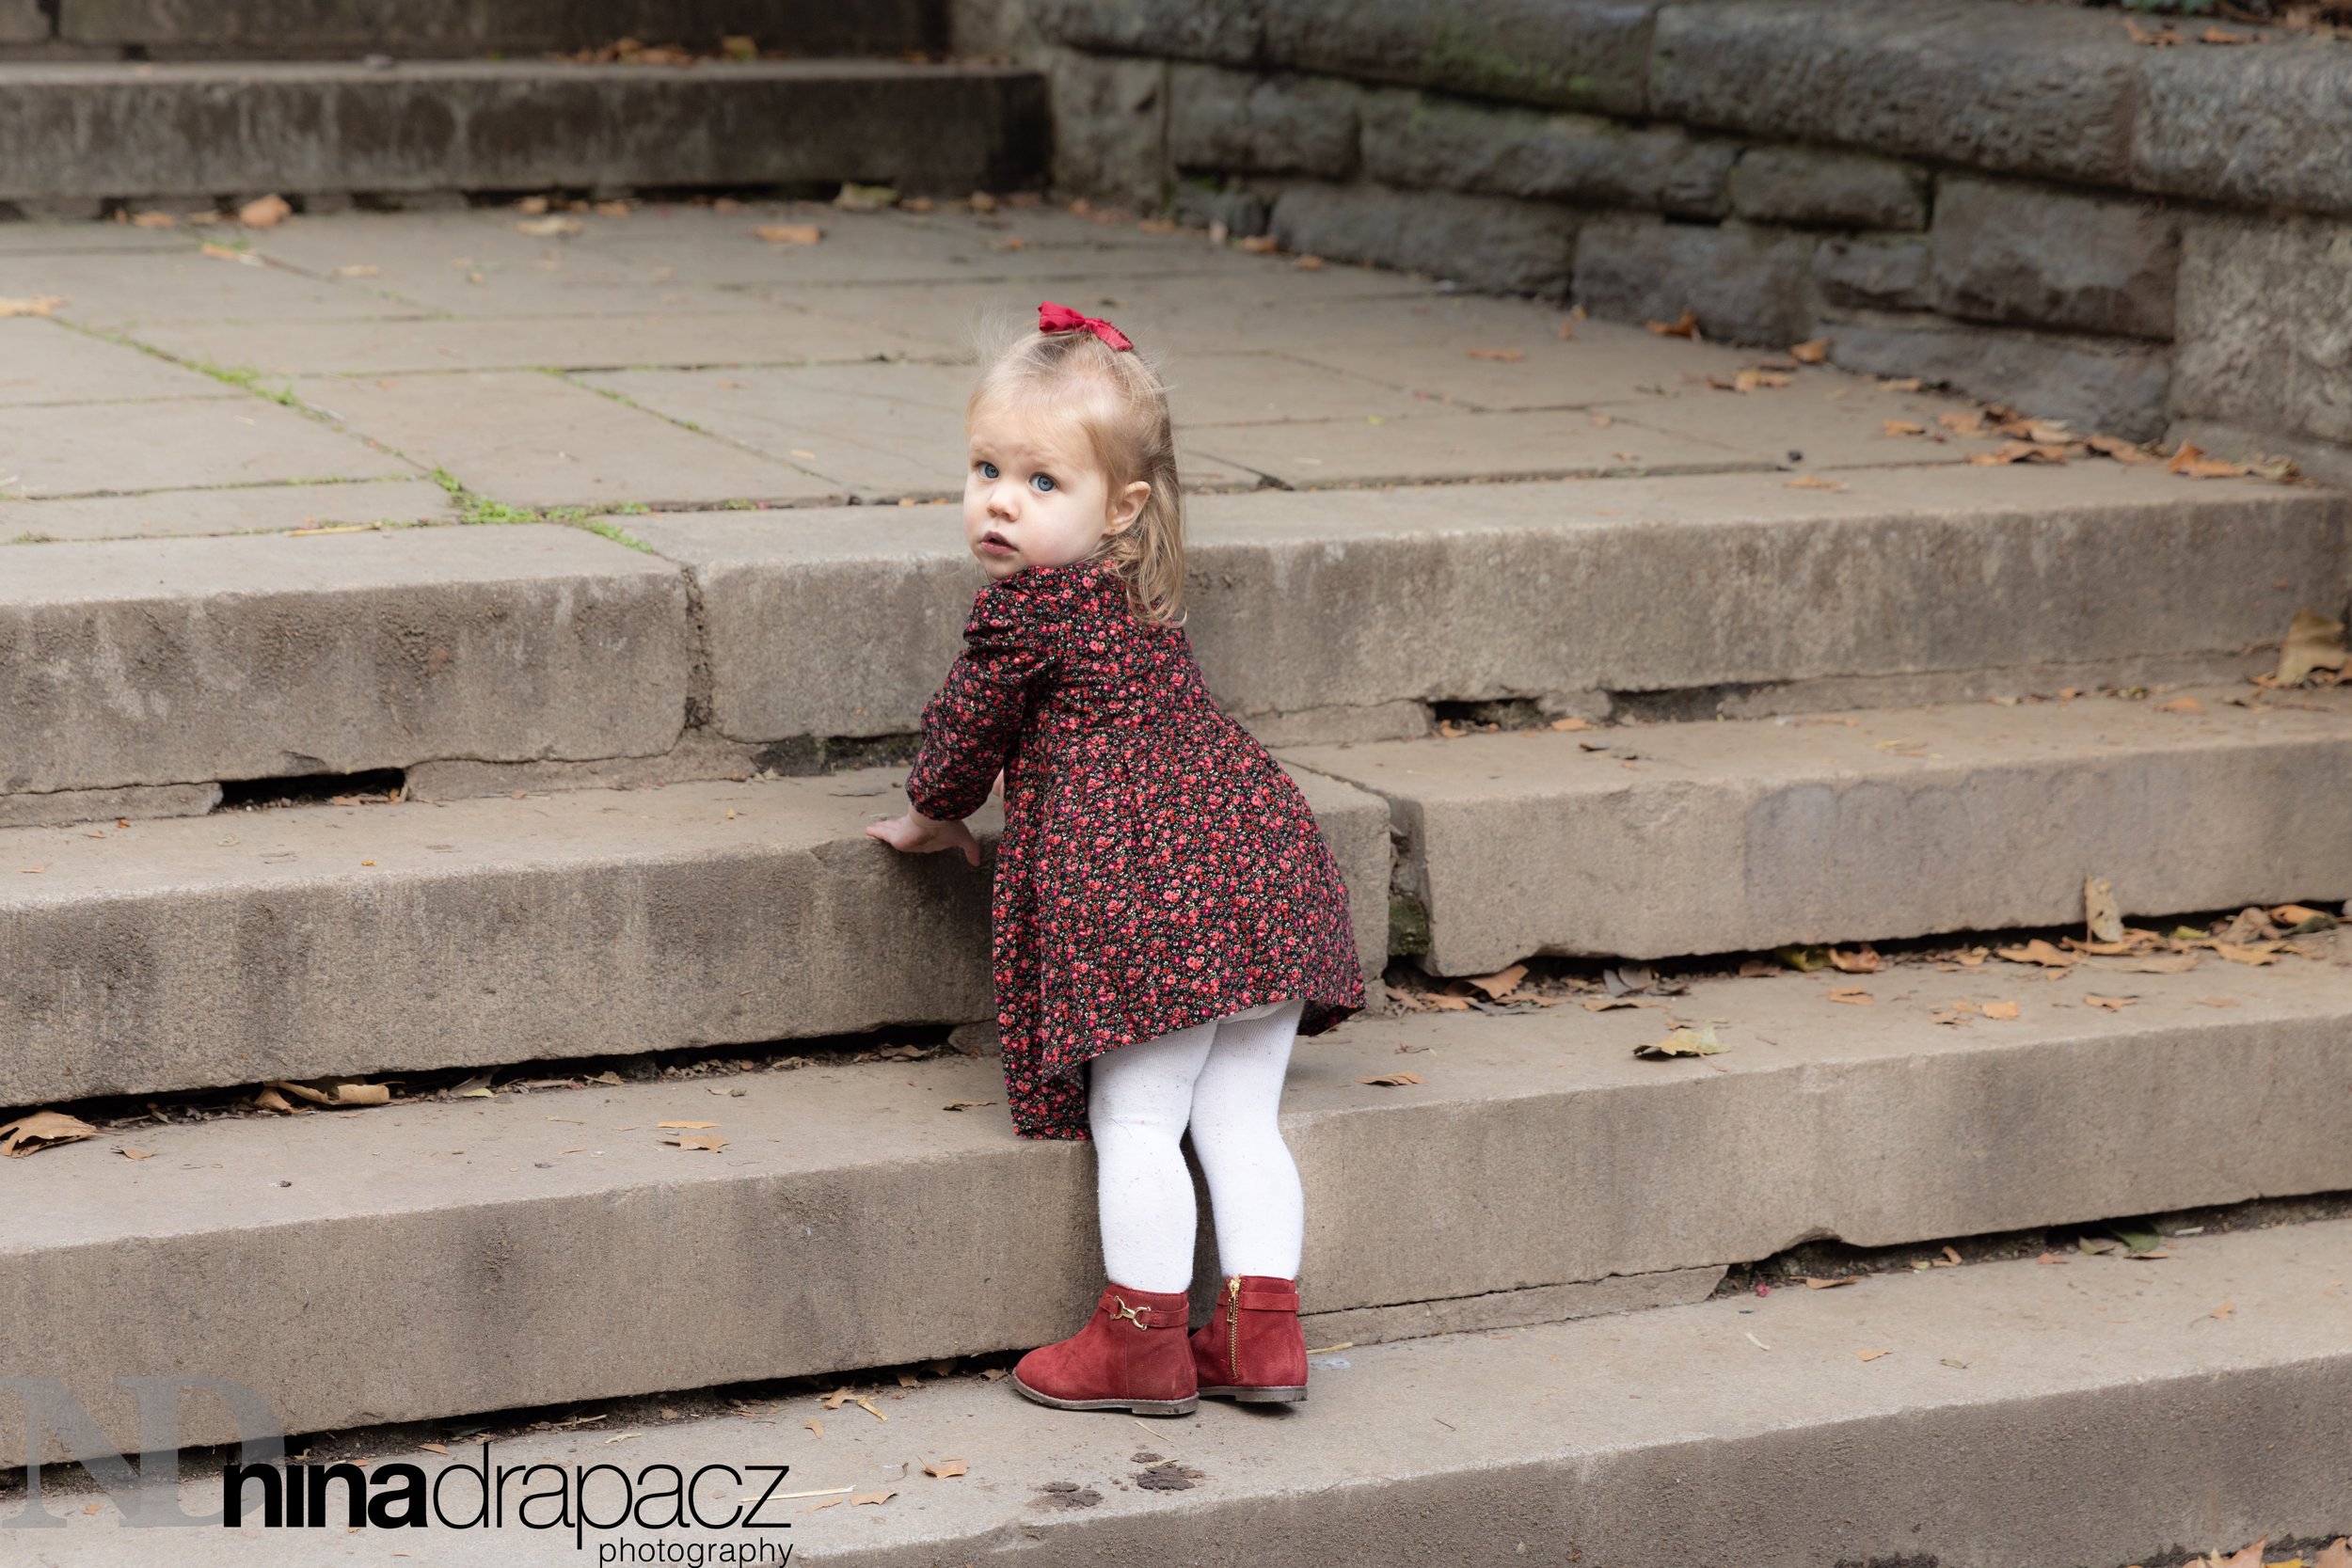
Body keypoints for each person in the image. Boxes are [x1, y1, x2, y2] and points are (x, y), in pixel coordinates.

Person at [864, 300, 1366, 1415]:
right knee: (1238, 1117)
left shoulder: (1029, 614)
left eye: (1043, 483)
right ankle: (1260, 1334)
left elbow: (961, 739)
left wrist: (928, 815)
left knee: (1137, 1116)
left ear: (1121, 506)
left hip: (1154, 893)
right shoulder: (1137, 599)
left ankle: (1139, 1339)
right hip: (1264, 862)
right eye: (987, 467)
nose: (999, 499)